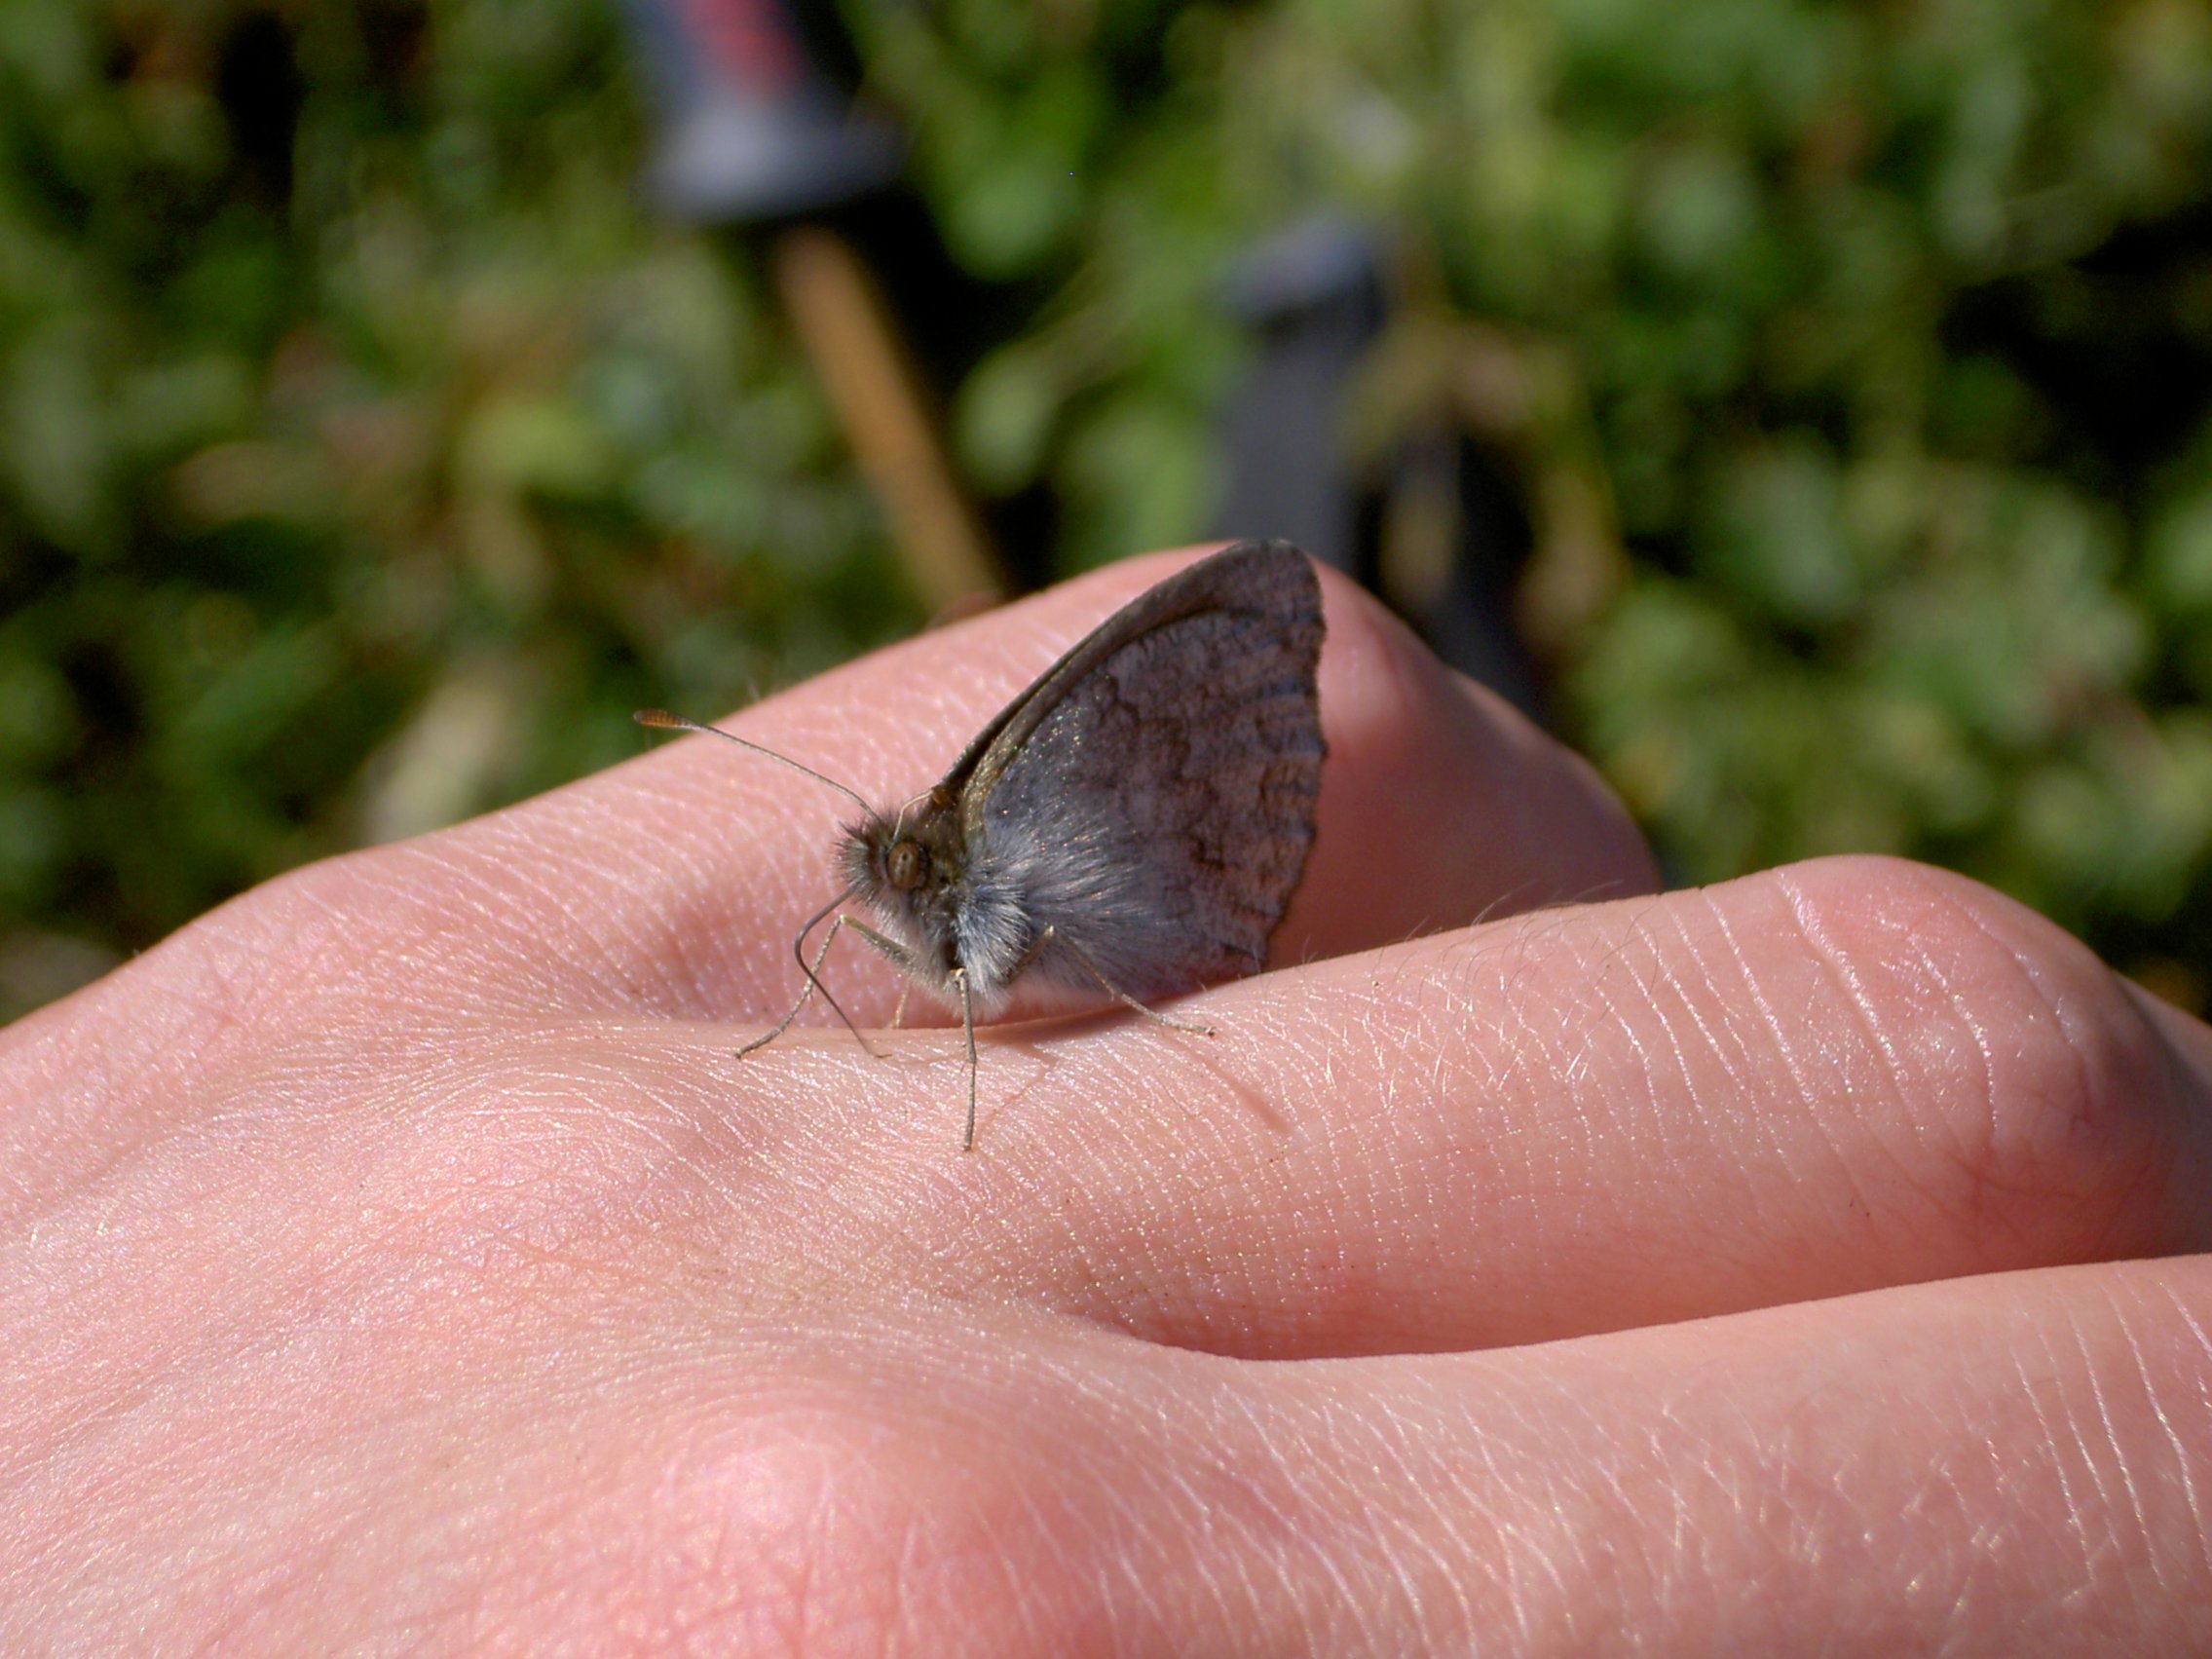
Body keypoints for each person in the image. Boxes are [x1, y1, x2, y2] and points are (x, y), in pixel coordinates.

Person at [4, 548, 2207, 1652]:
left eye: (880, 870)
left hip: (1146, 896)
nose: (859, 891)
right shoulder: (884, 922)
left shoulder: (965, 871)